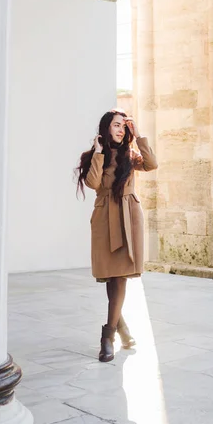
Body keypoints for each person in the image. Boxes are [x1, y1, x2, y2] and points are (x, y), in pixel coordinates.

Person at [76, 109, 158, 362]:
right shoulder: (93, 155)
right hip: (104, 218)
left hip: (128, 217)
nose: (121, 130)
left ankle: (107, 336)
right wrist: (99, 152)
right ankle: (121, 327)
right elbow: (94, 184)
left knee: (120, 276)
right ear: (105, 128)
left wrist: (140, 135)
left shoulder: (130, 156)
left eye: (124, 126)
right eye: (115, 125)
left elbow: (152, 164)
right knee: (110, 275)